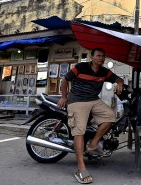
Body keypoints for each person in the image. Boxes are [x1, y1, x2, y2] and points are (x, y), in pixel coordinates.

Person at [57, 48, 124, 184]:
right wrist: (64, 97)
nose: (101, 58)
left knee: (111, 116)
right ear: (92, 57)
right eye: (98, 56)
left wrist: (120, 83)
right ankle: (81, 168)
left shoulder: (104, 71)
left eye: (103, 56)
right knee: (79, 131)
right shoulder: (81, 67)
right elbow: (65, 79)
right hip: (77, 100)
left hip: (93, 100)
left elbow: (118, 79)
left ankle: (93, 143)